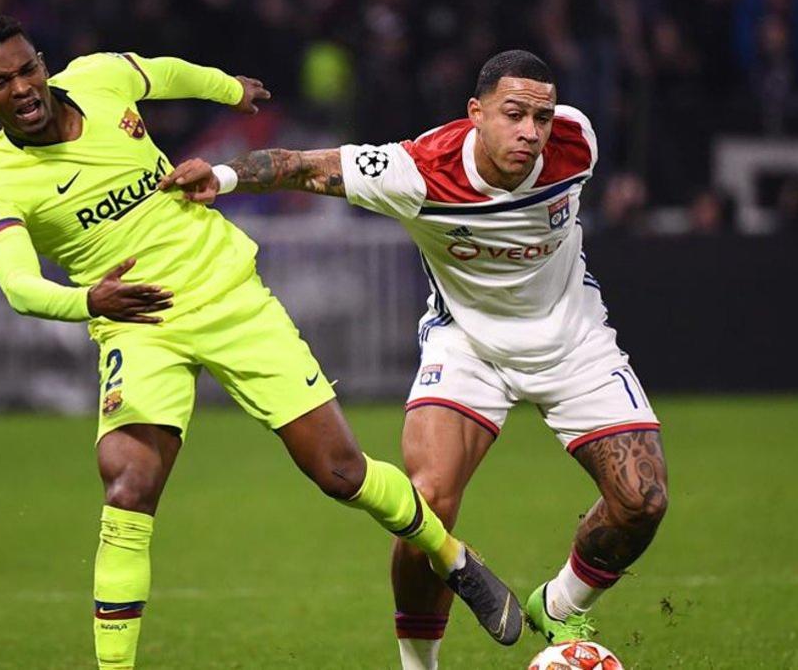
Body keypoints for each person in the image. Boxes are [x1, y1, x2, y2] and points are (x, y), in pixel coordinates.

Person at [0, 15, 521, 670]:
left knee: (340, 472)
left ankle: (454, 558)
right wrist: (91, 300)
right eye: (1, 83)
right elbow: (19, 286)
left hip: (229, 295)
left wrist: (227, 89)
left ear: (42, 62)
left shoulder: (100, 80)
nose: (23, 88)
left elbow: (165, 72)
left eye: (28, 69)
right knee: (128, 486)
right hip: (138, 325)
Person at [165, 50, 669, 670]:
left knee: (642, 501)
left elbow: (563, 143)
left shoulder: (576, 142)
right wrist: (225, 176)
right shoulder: (418, 169)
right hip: (468, 347)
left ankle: (558, 607)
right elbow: (300, 166)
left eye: (540, 116)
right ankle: (418, 666)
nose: (530, 132)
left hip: (573, 339)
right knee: (425, 506)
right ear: (476, 113)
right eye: (514, 114)